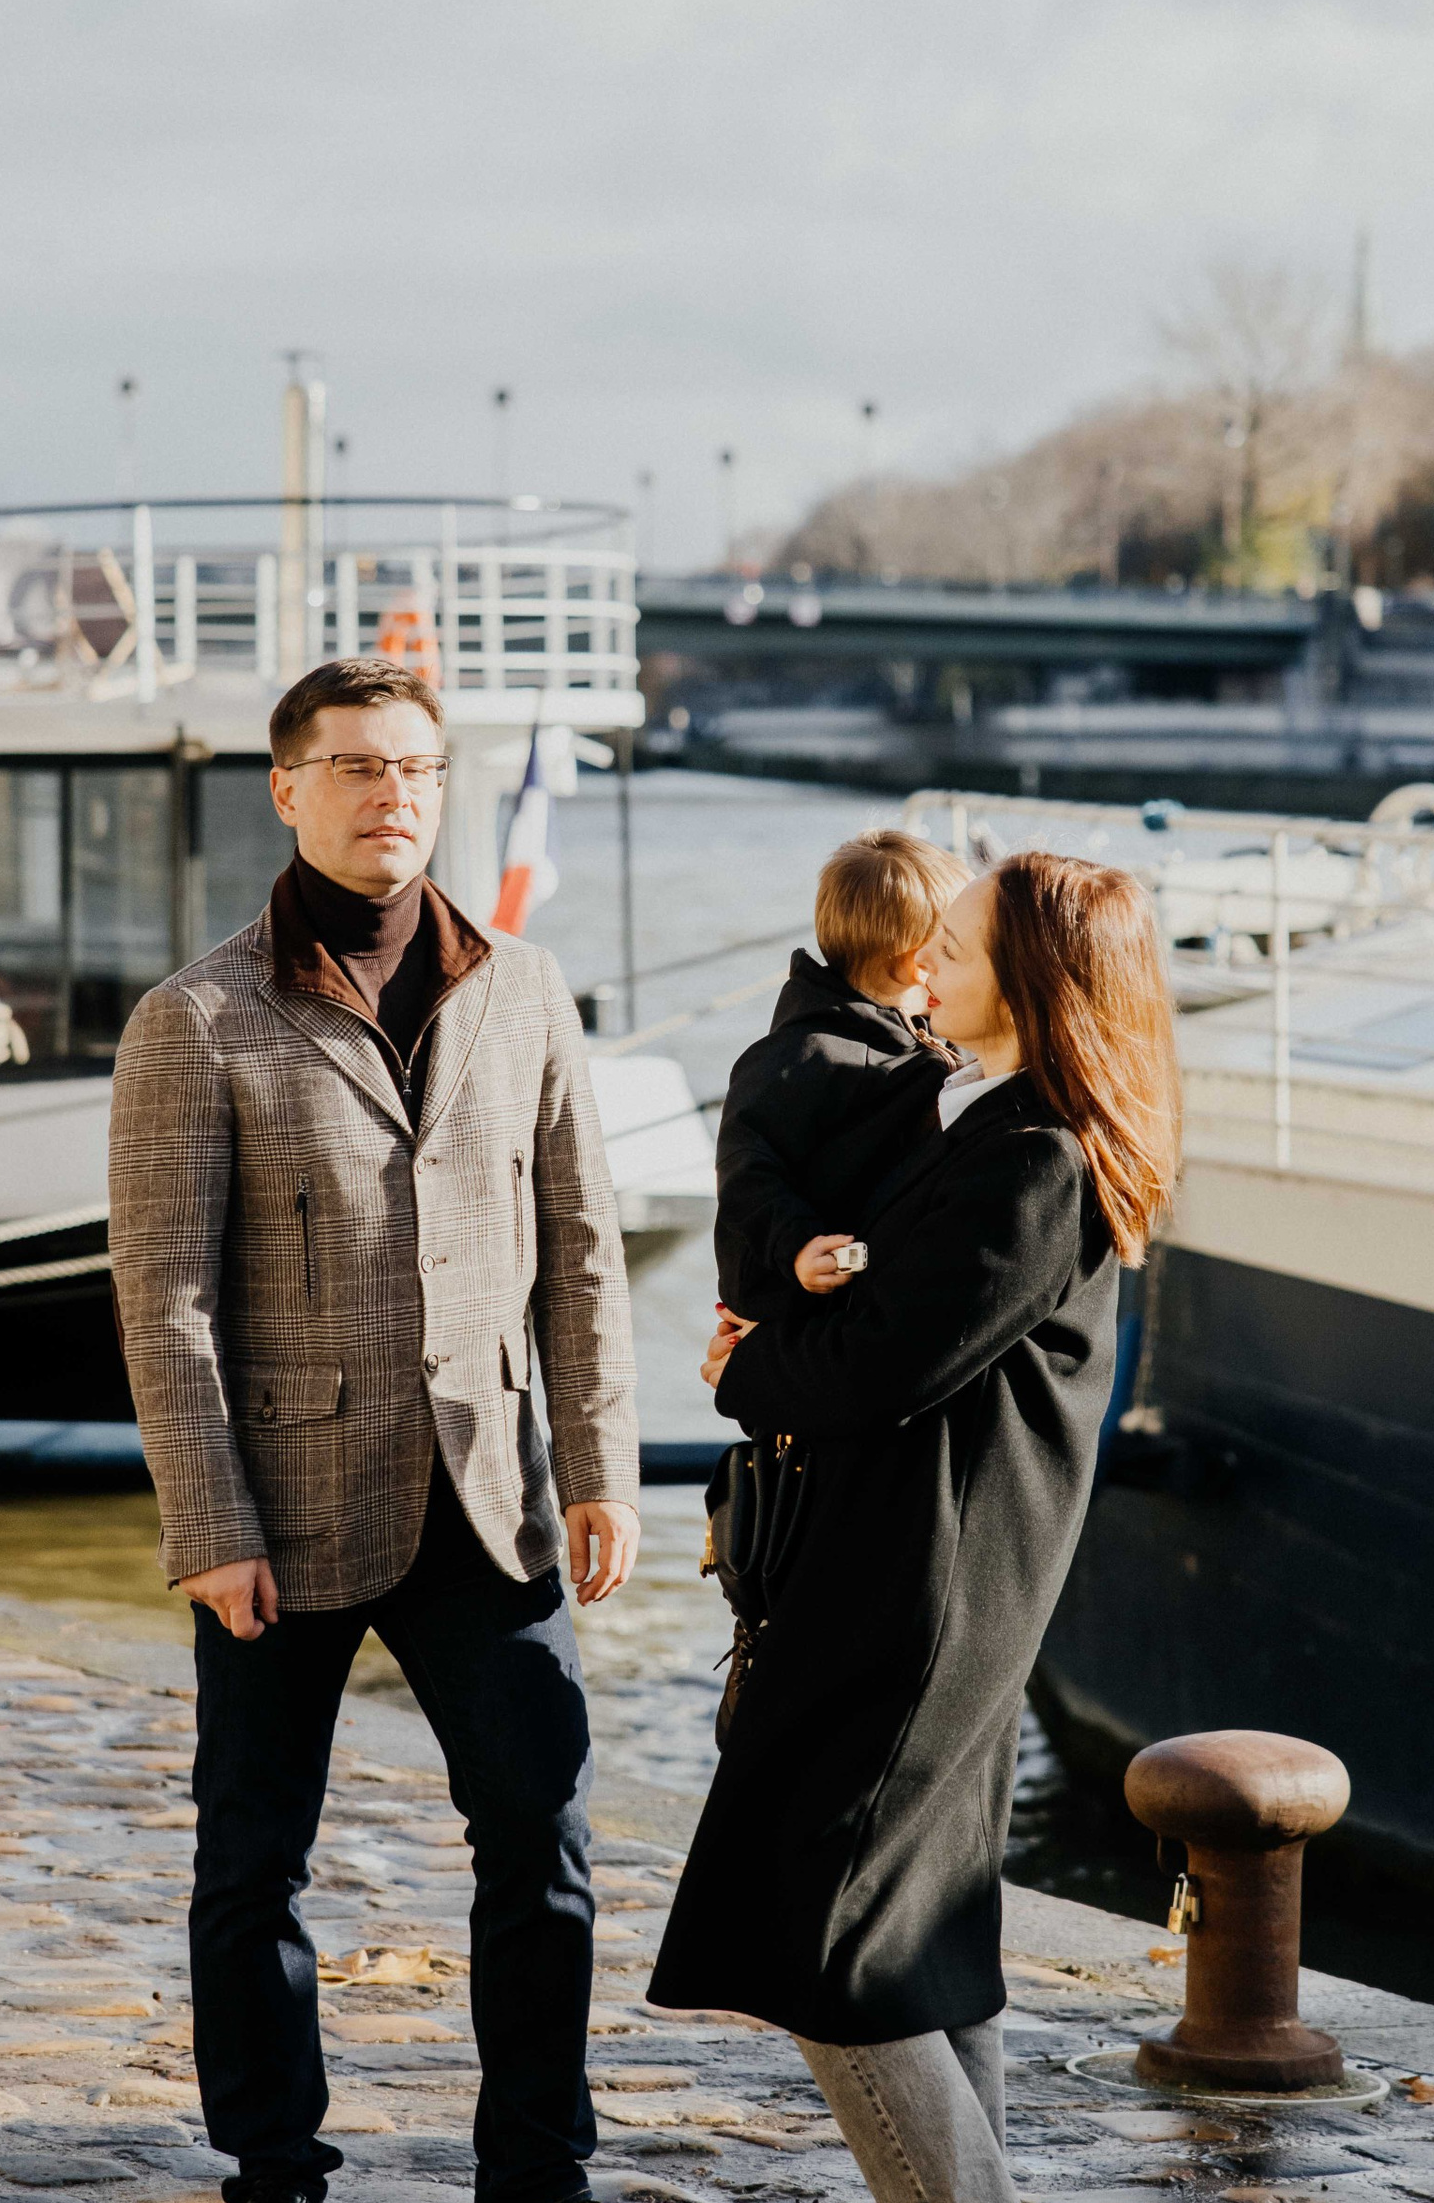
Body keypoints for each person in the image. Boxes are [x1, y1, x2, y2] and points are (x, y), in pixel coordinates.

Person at [108, 656, 641, 2203]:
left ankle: (537, 2163)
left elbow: (581, 1247)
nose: (390, 793)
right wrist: (210, 1526)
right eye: (354, 765)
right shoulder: (197, 1019)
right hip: (282, 1509)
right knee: (253, 1859)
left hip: (489, 1489)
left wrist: (600, 1467)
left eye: (414, 766)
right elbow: (165, 1298)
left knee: (542, 1836)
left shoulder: (523, 989)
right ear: (288, 790)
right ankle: (274, 2162)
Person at [650, 850, 1181, 2203]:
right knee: (921, 1937)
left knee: (832, 1942)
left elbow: (885, 1364)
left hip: (923, 1589)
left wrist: (743, 1367)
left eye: (958, 941)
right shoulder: (984, 1120)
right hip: (921, 1570)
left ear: (1036, 979)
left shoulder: (1037, 1157)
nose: (925, 956)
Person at [712, 828, 968, 1323]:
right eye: (954, 947)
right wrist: (797, 1244)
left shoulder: (924, 1039)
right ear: (919, 962)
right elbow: (745, 1166)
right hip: (800, 1290)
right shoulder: (804, 1054)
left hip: (859, 1292)